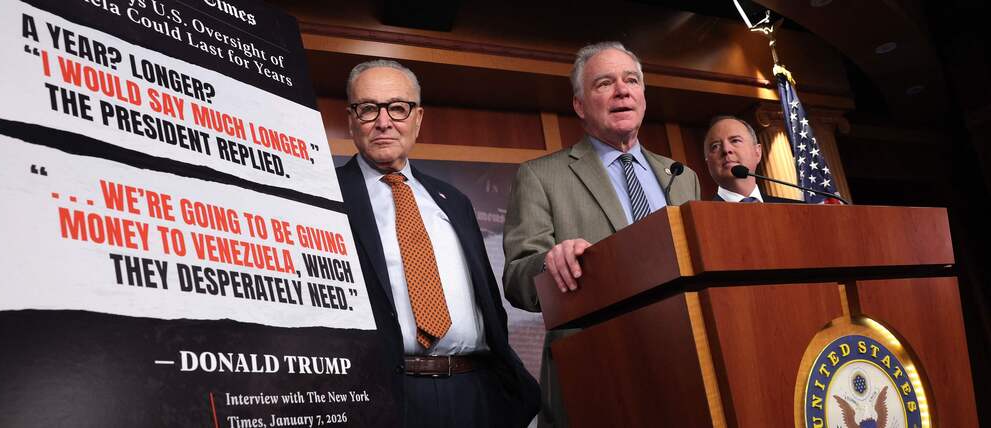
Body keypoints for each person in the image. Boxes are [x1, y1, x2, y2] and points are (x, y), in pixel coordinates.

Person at [502, 41, 701, 427]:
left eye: (631, 81)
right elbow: (517, 281)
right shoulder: (541, 176)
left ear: (643, 95)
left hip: (683, 363)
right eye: (604, 83)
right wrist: (550, 261)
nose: (622, 90)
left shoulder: (682, 177)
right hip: (595, 376)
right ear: (579, 105)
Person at [336, 59, 539, 428]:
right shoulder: (323, 195)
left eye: (398, 107)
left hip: (476, 393)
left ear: (417, 118)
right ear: (351, 120)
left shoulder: (453, 200)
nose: (384, 122)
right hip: (382, 397)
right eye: (368, 108)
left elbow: (487, 301)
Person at [703, 115, 800, 203]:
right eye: (715, 146)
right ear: (707, 161)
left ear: (757, 152)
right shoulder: (699, 218)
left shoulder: (798, 210)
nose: (726, 149)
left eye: (735, 140)